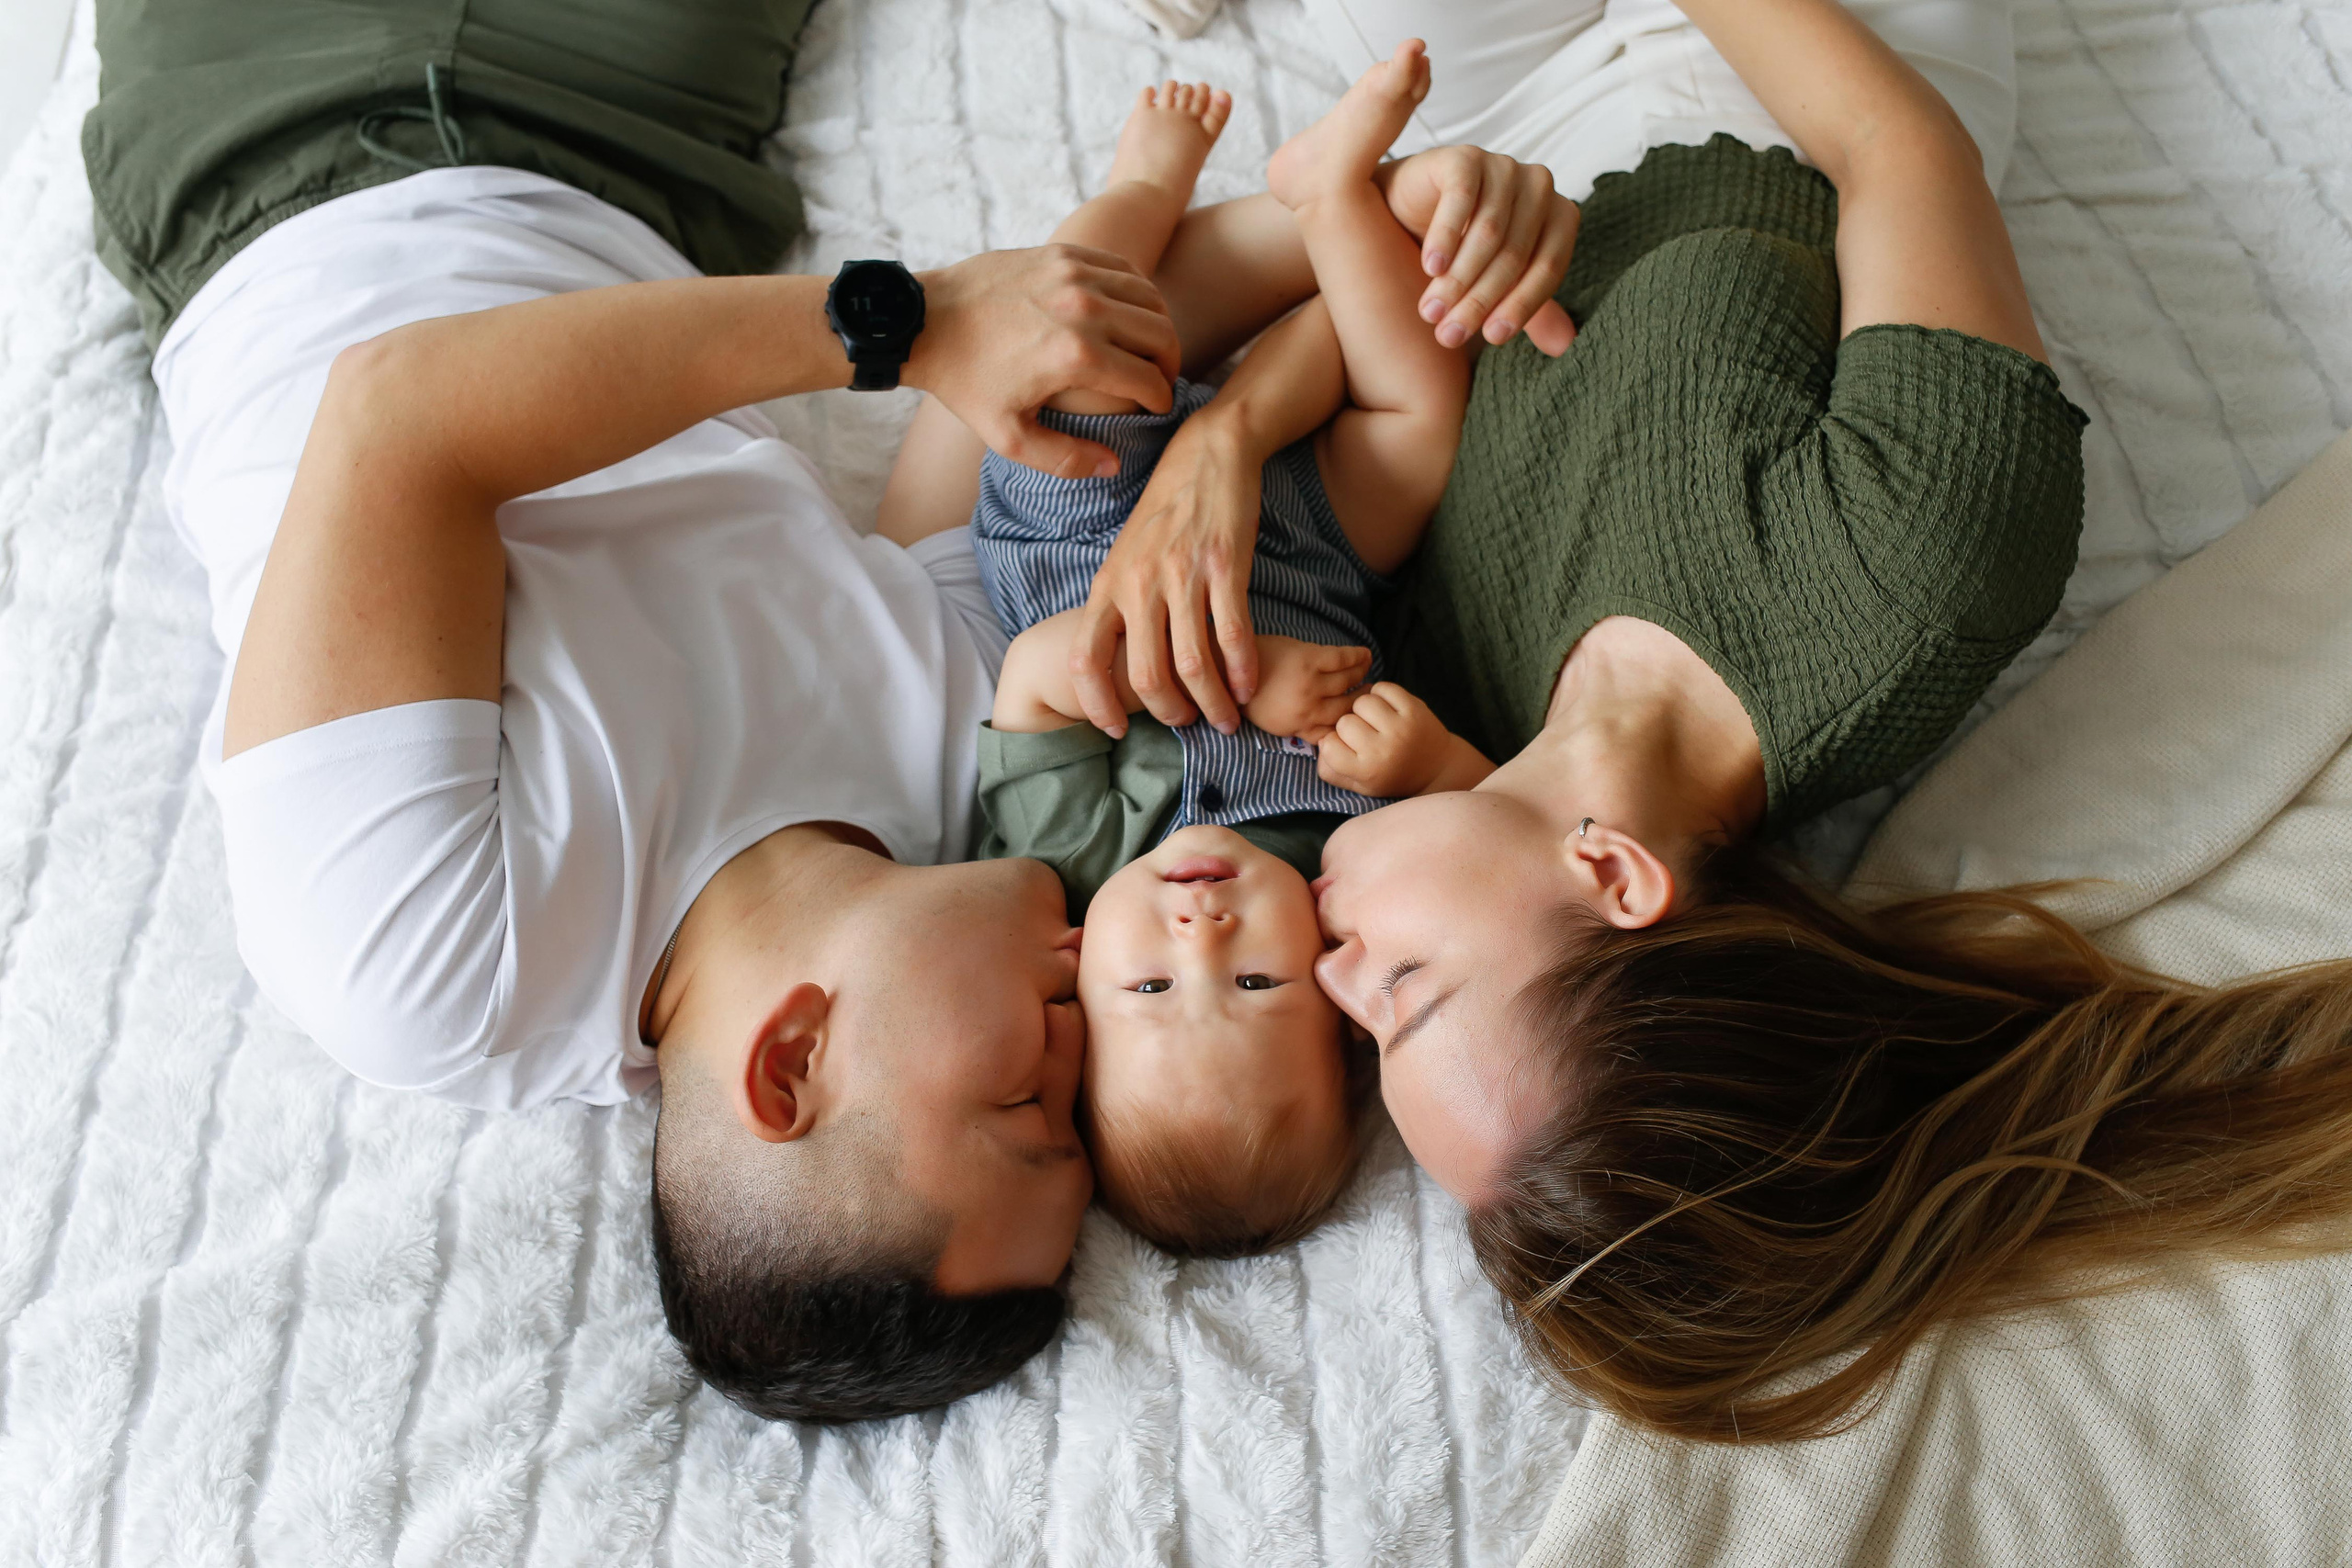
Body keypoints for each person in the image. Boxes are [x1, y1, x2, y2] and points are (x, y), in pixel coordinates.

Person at [85, 0, 1580, 1421]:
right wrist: (1385, 223)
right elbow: (1044, 403)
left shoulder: (437, 968)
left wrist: (898, 323)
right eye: (1084, 1106)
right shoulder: (956, 798)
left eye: (1027, 1101)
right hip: (660, 170)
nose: (1084, 1036)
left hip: (308, 143)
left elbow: (396, 416)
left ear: (792, 1063)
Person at [1073, 0, 2151, 1442]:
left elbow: (1350, 339)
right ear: (1611, 876)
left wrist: (1250, 405)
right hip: (1825, 62)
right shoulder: (1911, 572)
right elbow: (1894, 147)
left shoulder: (1425, 711)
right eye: (1406, 991)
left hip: (1516, 108)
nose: (1334, 976)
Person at [919, 64, 1498, 1256]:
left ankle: (1142, 187)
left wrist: (1235, 680)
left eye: (1149, 993)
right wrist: (1431, 759)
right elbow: (1488, 822)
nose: (1201, 943)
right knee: (1424, 418)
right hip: (1309, 551)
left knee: (1072, 333)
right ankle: (1331, 198)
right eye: (1255, 988)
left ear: (1080, 988)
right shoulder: (1346, 866)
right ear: (1337, 995)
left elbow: (1036, 675)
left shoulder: (1069, 863)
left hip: (1084, 526)